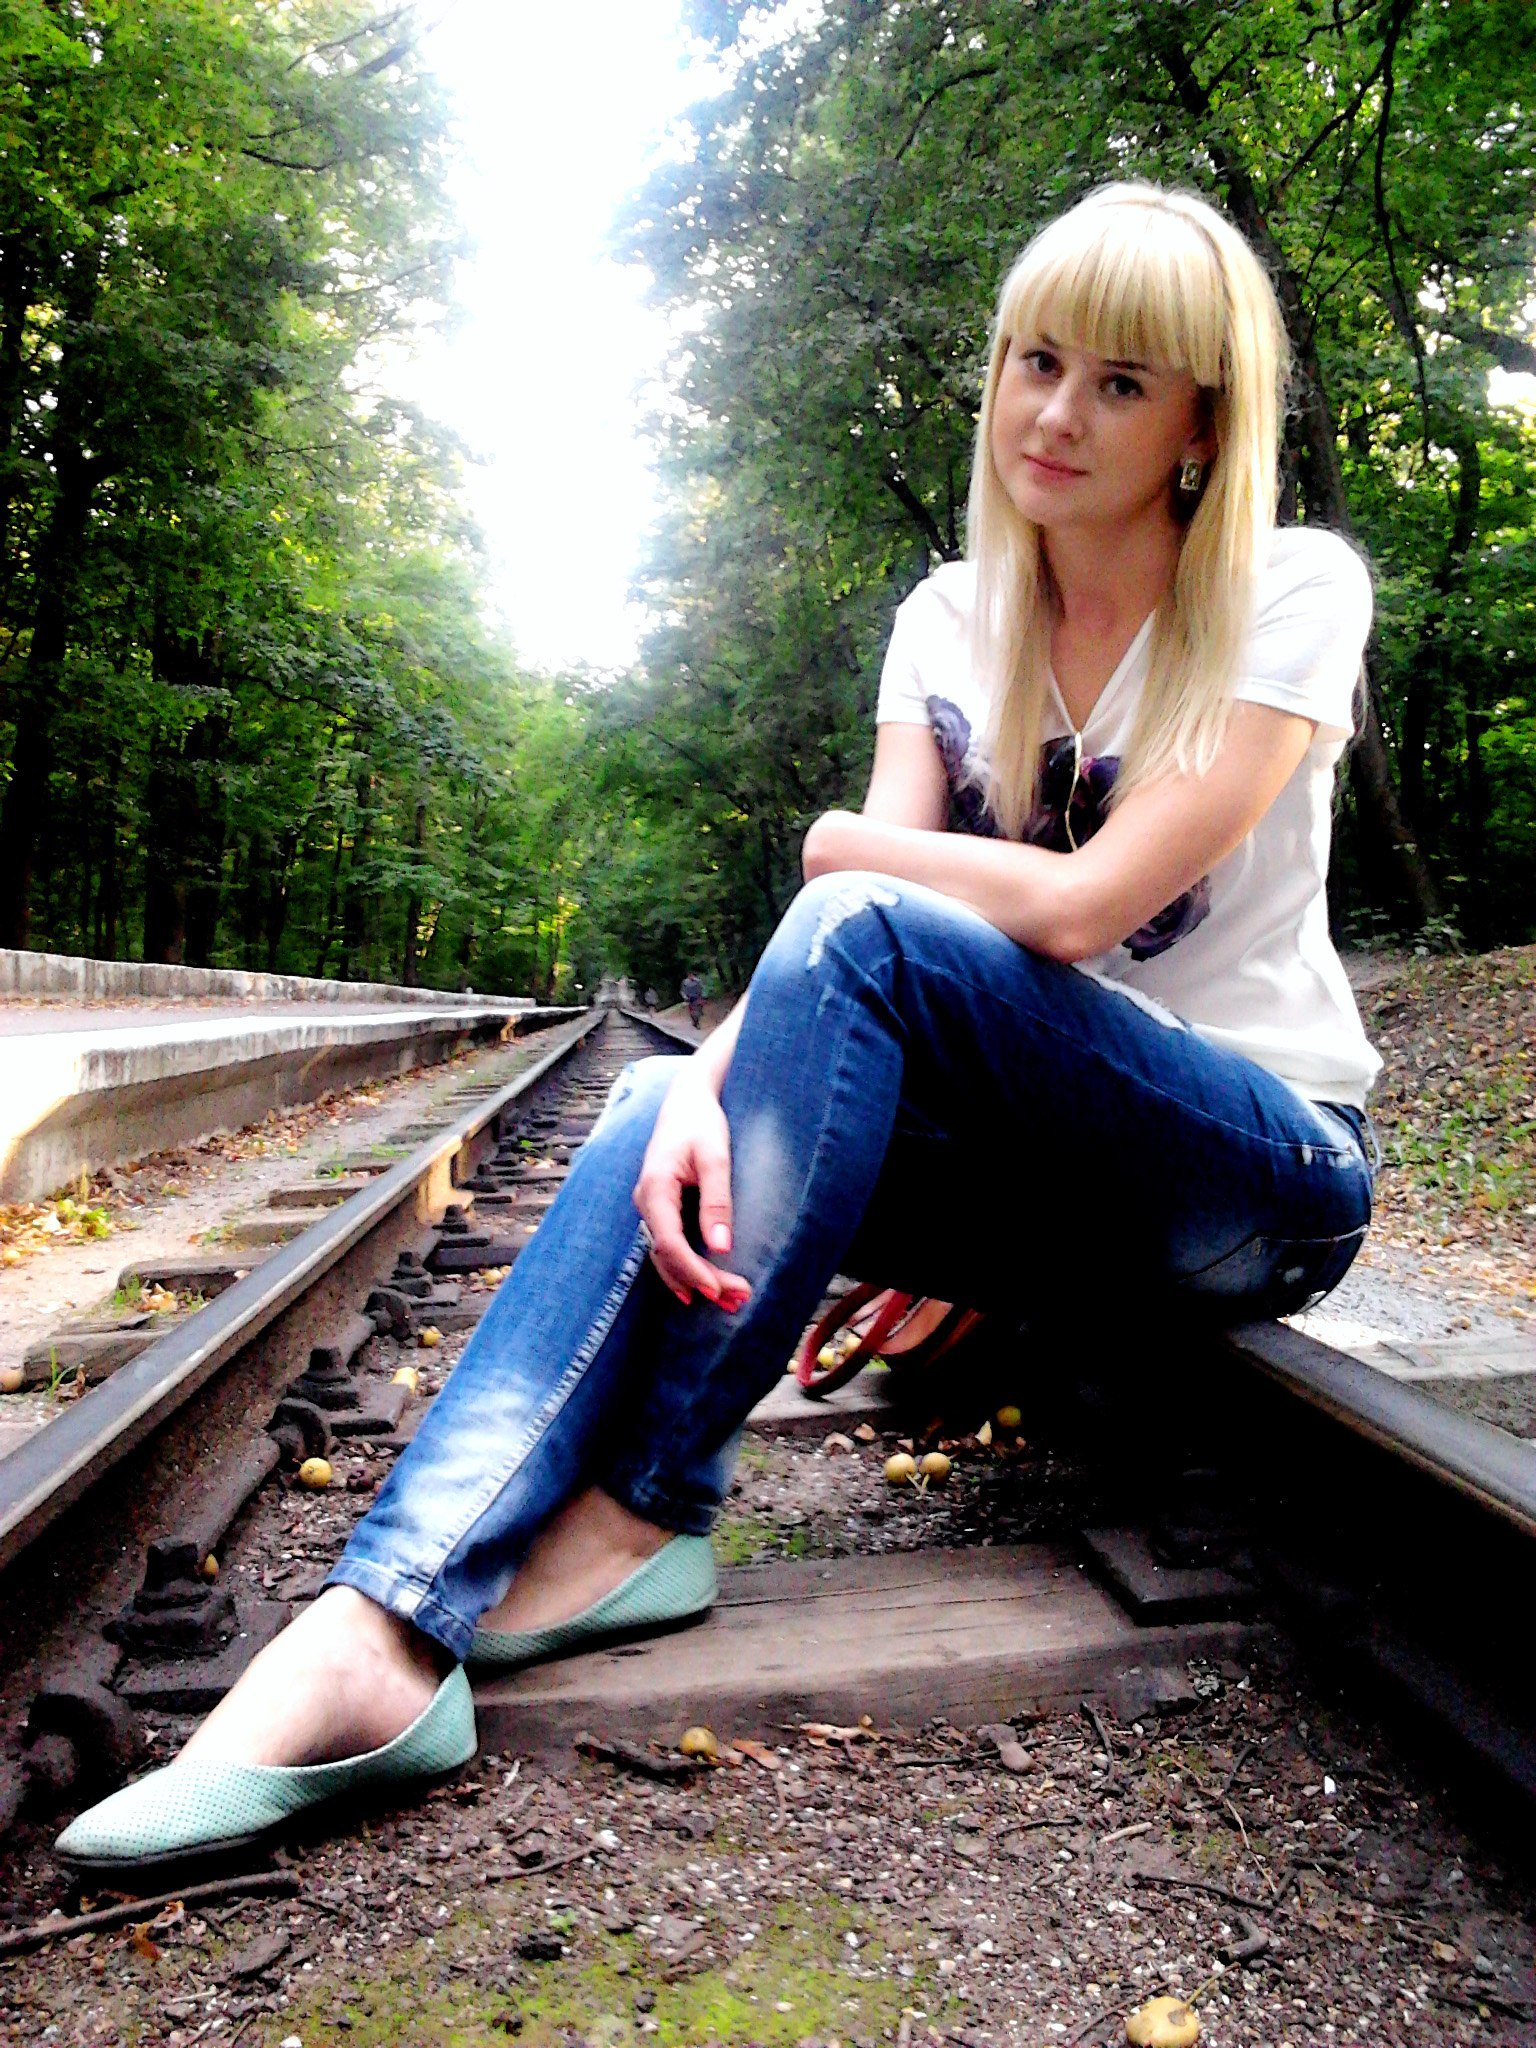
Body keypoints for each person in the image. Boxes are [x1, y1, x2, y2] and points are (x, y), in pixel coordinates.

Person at [57, 181, 1380, 1871]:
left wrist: (834, 847)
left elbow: (1077, 907)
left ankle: (632, 1509)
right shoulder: (950, 622)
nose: (1056, 414)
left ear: (1201, 423)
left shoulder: (1286, 588)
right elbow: (854, 946)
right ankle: (378, 1631)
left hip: (1257, 1183)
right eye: (1035, 361)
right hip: (1055, 1201)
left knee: (857, 919)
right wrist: (707, 1077)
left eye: (1121, 383)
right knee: (644, 1119)